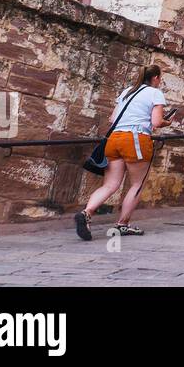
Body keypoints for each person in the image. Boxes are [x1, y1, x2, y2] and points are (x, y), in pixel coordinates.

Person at [75, 65, 169, 240]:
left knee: (110, 185)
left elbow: (112, 119)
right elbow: (156, 122)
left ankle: (86, 213)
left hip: (114, 139)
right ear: (155, 78)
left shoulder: (127, 91)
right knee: (137, 184)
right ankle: (122, 224)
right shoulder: (155, 93)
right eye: (160, 78)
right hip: (135, 139)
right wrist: (166, 122)